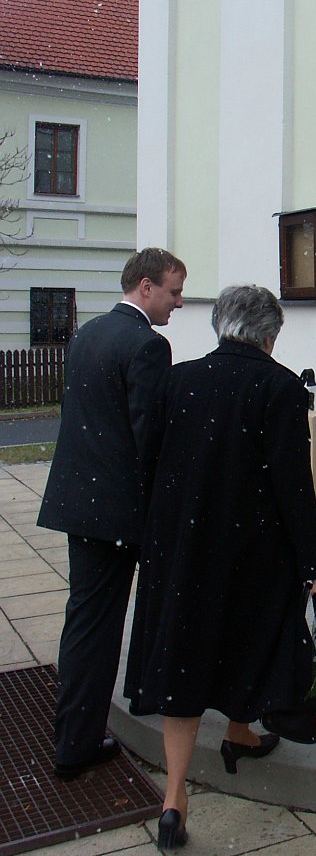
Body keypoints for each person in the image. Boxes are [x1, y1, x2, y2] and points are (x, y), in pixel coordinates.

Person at [124, 284, 316, 850]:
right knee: (246, 642)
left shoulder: (178, 381)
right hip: (251, 552)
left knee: (185, 656)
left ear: (220, 325)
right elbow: (293, 485)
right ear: (270, 336)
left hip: (182, 547)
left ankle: (176, 796)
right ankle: (238, 732)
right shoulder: (280, 387)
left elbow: (149, 463)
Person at [37, 248, 187, 779]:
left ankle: (75, 731)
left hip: (79, 500)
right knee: (99, 630)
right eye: (173, 291)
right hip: (116, 513)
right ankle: (77, 744)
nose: (179, 302)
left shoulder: (88, 333)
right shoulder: (148, 345)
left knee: (85, 621)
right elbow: (150, 439)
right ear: (146, 287)